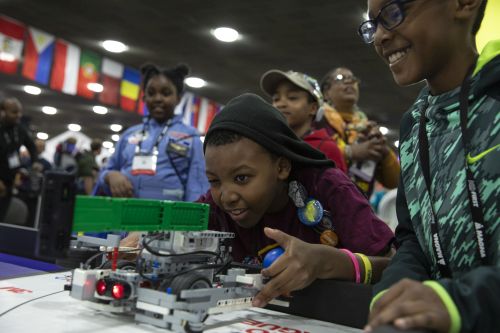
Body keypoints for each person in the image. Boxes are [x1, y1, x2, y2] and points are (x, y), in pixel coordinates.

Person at [359, 0, 499, 332]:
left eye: (393, 14)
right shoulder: (414, 126)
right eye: (372, 25)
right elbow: (413, 240)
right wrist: (392, 296)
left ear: (463, 4)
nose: (380, 36)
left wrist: (455, 303)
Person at [199, 93, 395, 307]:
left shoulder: (329, 188)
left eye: (242, 178)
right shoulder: (213, 206)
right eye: (214, 180)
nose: (227, 197)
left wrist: (333, 263)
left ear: (281, 168)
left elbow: (394, 266)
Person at [96, 64, 209, 201]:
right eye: (151, 93)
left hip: (170, 217)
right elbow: (106, 170)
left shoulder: (191, 137)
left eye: (166, 93)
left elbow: (198, 186)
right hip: (125, 213)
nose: (158, 98)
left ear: (178, 98)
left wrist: (192, 219)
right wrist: (110, 176)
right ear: (144, 98)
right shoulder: (129, 135)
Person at [317, 67, 399, 197]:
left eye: (352, 79)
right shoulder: (317, 119)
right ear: (326, 93)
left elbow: (394, 182)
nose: (349, 82)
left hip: (360, 204)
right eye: (340, 79)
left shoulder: (366, 126)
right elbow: (314, 154)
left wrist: (384, 152)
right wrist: (352, 152)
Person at [260, 69, 347, 173]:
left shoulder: (327, 149)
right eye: (276, 99)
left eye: (292, 97)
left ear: (313, 108)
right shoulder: (267, 144)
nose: (280, 104)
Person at [0, 97, 37, 222]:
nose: (18, 115)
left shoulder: (19, 129)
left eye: (19, 112)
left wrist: (35, 162)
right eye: (14, 112)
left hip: (9, 182)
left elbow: (31, 146)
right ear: (3, 112)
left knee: (2, 214)